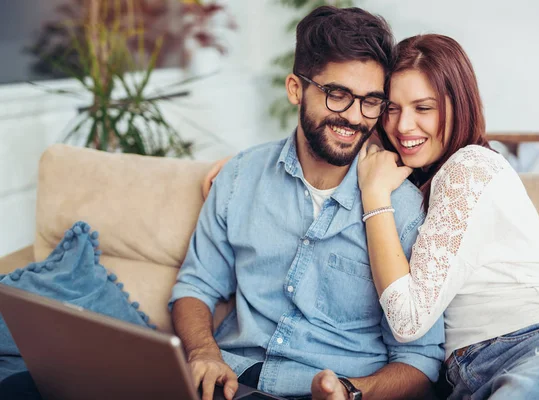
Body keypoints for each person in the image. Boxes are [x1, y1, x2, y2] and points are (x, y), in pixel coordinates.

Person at [169, 7, 445, 400]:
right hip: (235, 379)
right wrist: (203, 353)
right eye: (337, 95)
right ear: (296, 89)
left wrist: (349, 393)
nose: (353, 117)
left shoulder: (400, 209)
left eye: (370, 101)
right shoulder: (239, 177)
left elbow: (420, 359)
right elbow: (195, 285)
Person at [353, 33, 539, 399]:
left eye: (424, 108)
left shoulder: (468, 166)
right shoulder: (423, 183)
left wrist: (373, 194)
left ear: (459, 104)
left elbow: (407, 320)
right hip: (474, 372)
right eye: (392, 108)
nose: (403, 126)